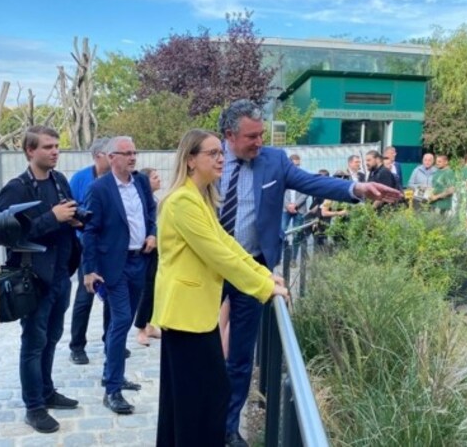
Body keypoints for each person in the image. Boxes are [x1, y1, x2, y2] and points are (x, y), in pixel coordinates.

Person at [217, 99, 401, 447]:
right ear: (229, 135)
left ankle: (227, 428)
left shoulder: (274, 160)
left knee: (240, 356)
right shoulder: (210, 160)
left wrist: (357, 189)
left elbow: (310, 184)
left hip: (253, 270)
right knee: (203, 348)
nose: (260, 142)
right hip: (210, 268)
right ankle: (198, 415)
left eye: (261, 134)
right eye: (252, 136)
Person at [153, 129, 289, 447]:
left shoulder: (199, 197)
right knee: (198, 399)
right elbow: (218, 255)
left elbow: (227, 243)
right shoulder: (182, 202)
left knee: (197, 398)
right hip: (186, 316)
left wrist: (264, 274)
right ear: (190, 160)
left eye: (221, 153)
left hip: (197, 315)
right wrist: (263, 288)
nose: (221, 159)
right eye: (212, 153)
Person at [0, 126, 82, 434]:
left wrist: (75, 218)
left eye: (57, 145)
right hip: (33, 278)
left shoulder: (60, 181)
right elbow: (6, 232)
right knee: (33, 343)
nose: (55, 151)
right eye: (47, 146)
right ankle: (34, 407)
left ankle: (47, 391)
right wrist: (52, 218)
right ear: (30, 151)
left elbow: (64, 218)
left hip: (61, 274)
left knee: (53, 337)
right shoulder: (16, 188)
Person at [82, 136, 157, 415]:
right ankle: (112, 389)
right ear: (111, 157)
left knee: (120, 322)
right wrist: (89, 269)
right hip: (115, 265)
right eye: (126, 153)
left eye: (134, 152)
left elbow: (151, 210)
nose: (132, 157)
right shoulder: (99, 189)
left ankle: (111, 373)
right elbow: (89, 230)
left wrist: (153, 233)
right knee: (123, 319)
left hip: (140, 260)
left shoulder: (140, 182)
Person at [68, 137, 112, 366]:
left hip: (113, 246)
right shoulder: (80, 178)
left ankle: (111, 342)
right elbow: (69, 208)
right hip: (88, 245)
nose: (115, 157)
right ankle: (77, 346)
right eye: (110, 153)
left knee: (113, 297)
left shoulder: (120, 177)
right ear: (98, 156)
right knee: (85, 297)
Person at [134, 167, 163, 347]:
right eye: (154, 177)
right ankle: (141, 328)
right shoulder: (142, 201)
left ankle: (151, 324)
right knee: (147, 289)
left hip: (159, 249)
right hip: (147, 249)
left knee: (156, 289)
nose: (159, 179)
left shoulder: (156, 200)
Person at [281, 154, 309, 267]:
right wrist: (288, 205)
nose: (296, 167)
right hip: (285, 209)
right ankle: (283, 256)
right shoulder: (282, 175)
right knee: (282, 232)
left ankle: (293, 259)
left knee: (297, 234)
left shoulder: (303, 175)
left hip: (300, 209)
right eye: (294, 165)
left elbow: (306, 192)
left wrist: (295, 205)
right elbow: (280, 191)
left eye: (298, 165)